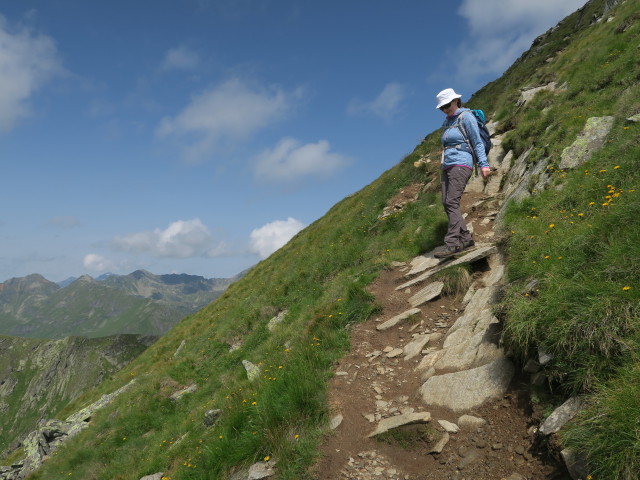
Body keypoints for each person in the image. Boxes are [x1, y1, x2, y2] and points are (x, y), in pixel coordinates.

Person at [433, 88, 491, 259]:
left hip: (462, 163)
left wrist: (483, 165)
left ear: (456, 101)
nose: (445, 109)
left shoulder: (466, 117)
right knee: (446, 202)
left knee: (451, 201)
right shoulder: (447, 122)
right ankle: (466, 239)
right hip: (448, 165)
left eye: (447, 105)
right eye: (442, 107)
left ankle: (452, 244)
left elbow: (477, 142)